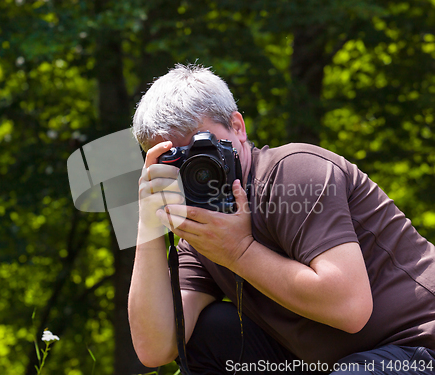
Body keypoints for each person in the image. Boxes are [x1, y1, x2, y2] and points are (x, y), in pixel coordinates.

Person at [127, 64, 435, 374]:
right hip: (328, 363)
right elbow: (157, 348)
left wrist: (238, 251)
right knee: (204, 335)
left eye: (200, 146)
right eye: (173, 159)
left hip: (417, 346)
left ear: (238, 127)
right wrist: (148, 224)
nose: (193, 166)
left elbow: (350, 308)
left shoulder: (293, 172)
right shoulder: (203, 233)